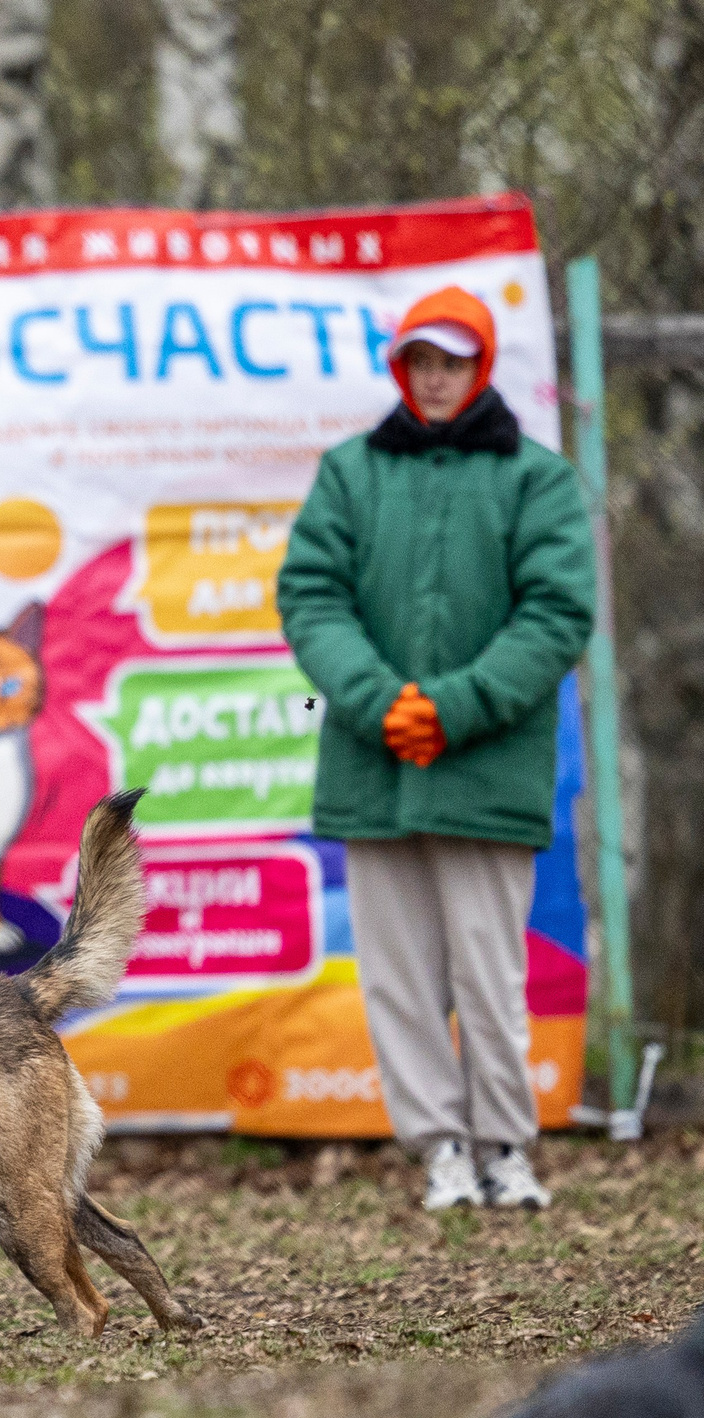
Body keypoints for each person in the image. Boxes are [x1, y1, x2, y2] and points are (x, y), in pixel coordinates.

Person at [277, 285, 596, 1212]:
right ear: (401, 368)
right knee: (402, 982)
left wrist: (453, 708)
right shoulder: (350, 472)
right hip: (373, 773)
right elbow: (311, 595)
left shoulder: (536, 478)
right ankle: (441, 1150)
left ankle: (505, 1146)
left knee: (491, 975)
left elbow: (557, 612)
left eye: (453, 360)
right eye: (422, 360)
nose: (437, 376)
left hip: (485, 773)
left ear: (483, 366)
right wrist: (380, 702)